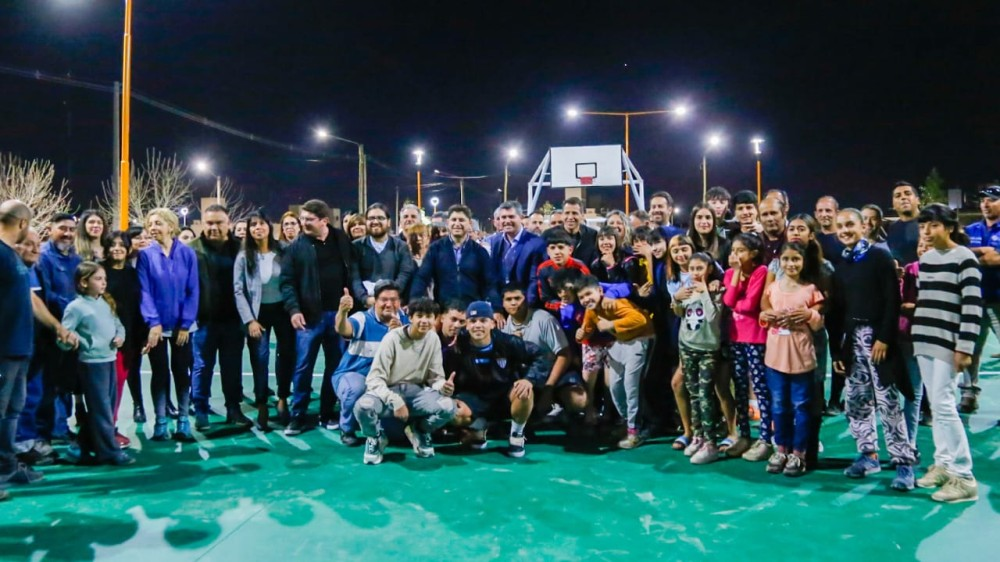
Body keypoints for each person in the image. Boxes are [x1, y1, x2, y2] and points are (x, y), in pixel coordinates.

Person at [827, 208, 918, 491]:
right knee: (856, 401)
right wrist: (838, 350)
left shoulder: (879, 255)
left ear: (863, 226)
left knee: (888, 401)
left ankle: (903, 462)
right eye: (839, 226)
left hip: (878, 339)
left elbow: (893, 299)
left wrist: (885, 338)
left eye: (850, 225)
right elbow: (838, 310)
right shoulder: (841, 264)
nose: (844, 230)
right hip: (852, 341)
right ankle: (868, 454)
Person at [911, 204, 982, 503]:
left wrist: (964, 347)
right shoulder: (926, 260)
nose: (927, 231)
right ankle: (943, 464)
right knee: (937, 402)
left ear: (949, 227)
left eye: (934, 225)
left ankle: (964, 476)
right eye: (924, 226)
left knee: (943, 404)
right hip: (925, 339)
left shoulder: (965, 259)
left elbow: (972, 307)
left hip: (948, 342)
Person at [281, 199, 354, 435]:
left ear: (324, 221)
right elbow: (287, 283)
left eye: (308, 220)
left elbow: (351, 271)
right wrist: (294, 310)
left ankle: (327, 412)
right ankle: (298, 415)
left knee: (336, 366)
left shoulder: (341, 240)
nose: (303, 224)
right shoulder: (296, 247)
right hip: (309, 318)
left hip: (338, 317)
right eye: (302, 219)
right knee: (303, 368)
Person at [354, 298, 455, 465]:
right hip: (388, 392)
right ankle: (375, 437)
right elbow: (374, 379)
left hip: (416, 393)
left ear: (435, 319)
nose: (424, 320)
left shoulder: (433, 339)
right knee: (363, 406)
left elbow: (435, 377)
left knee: (449, 407)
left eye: (429, 316)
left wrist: (443, 387)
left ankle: (420, 431)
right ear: (410, 318)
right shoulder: (392, 339)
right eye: (419, 316)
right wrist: (394, 400)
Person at [1, 201, 57, 498]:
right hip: (5, 349)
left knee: (12, 412)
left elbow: (29, 299)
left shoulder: (13, 258)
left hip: (19, 348)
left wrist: (57, 327)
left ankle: (7, 467)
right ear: (22, 223)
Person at [759, 243, 825, 477]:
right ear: (780, 262)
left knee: (801, 407)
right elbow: (763, 315)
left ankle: (799, 453)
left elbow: (818, 323)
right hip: (775, 359)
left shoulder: (810, 290)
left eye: (796, 259)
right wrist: (767, 315)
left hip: (801, 359)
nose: (791, 264)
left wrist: (809, 314)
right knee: (779, 405)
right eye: (786, 259)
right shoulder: (773, 289)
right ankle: (781, 449)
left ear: (803, 261)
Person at [59, 262, 134, 466]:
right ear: (84, 282)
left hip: (109, 360)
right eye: (98, 279)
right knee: (101, 409)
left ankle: (80, 447)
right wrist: (75, 342)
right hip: (91, 364)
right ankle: (108, 451)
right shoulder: (76, 308)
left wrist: (120, 337)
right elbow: (64, 334)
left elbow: (118, 325)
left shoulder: (104, 303)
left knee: (105, 408)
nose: (103, 283)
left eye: (104, 279)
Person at [137, 208, 199, 441]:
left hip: (183, 327)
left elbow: (193, 290)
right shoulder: (145, 255)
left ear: (171, 226)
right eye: (150, 224)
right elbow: (144, 291)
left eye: (158, 223)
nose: (153, 228)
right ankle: (160, 422)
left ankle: (183, 421)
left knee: (181, 372)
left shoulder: (187, 254)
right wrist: (153, 323)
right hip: (157, 328)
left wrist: (185, 324)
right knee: (159, 373)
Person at [447, 301, 537, 457]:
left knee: (524, 391)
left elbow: (540, 356)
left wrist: (529, 379)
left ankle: (516, 435)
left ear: (492, 324)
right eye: (473, 321)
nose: (478, 325)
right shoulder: (457, 347)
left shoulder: (508, 342)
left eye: (483, 321)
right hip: (475, 398)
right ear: (466, 325)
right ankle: (478, 428)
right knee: (450, 410)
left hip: (504, 395)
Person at [189, 204, 249, 431]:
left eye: (219, 222)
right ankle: (201, 410)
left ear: (229, 224)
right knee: (202, 367)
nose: (214, 227)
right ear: (203, 224)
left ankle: (233, 408)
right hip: (204, 321)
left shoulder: (241, 249)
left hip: (234, 320)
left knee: (232, 366)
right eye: (209, 222)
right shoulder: (191, 249)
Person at [576, 275, 653, 449]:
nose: (586, 299)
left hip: (640, 338)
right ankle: (629, 424)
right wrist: (581, 334)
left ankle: (635, 431)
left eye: (589, 294)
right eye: (581, 297)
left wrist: (612, 324)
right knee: (615, 386)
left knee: (630, 385)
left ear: (600, 291)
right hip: (621, 341)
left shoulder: (614, 303)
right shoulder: (591, 310)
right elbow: (588, 328)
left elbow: (640, 319)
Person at [234, 212, 295, 430]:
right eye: (253, 225)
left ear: (269, 226)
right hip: (257, 314)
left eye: (261, 224)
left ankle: (282, 398)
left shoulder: (283, 251)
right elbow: (238, 290)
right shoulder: (244, 256)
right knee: (259, 358)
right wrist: (249, 320)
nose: (257, 228)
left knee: (286, 354)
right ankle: (261, 404)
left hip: (282, 310)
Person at [332, 280, 407, 446]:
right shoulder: (363, 318)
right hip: (355, 374)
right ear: (375, 301)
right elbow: (343, 329)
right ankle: (347, 429)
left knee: (396, 434)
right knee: (355, 389)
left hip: (386, 381)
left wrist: (398, 337)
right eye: (384, 299)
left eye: (394, 299)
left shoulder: (405, 322)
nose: (389, 304)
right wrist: (342, 312)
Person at [500, 284, 585, 419]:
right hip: (530, 376)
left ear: (526, 300)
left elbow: (564, 354)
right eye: (508, 299)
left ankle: (562, 410)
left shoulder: (543, 319)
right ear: (503, 304)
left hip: (555, 373)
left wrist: (548, 389)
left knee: (578, 400)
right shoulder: (503, 326)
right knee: (518, 393)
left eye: (517, 298)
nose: (513, 303)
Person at [34, 213, 83, 444]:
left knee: (65, 381)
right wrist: (73, 308)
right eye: (62, 228)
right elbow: (45, 294)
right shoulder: (43, 257)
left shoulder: (75, 259)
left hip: (72, 331)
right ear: (51, 230)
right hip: (50, 331)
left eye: (72, 229)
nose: (68, 233)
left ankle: (61, 427)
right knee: (48, 383)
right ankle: (47, 431)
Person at [410, 205, 502, 324]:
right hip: (444, 311)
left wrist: (496, 308)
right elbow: (422, 277)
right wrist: (414, 302)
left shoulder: (479, 251)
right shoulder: (436, 249)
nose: (457, 223)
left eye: (461, 220)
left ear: (469, 223)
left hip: (472, 313)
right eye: (454, 220)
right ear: (448, 223)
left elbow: (490, 282)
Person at [672, 253, 724, 464]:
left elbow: (712, 318)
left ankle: (711, 443)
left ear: (709, 269)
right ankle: (698, 436)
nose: (695, 272)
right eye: (692, 268)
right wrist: (676, 298)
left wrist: (704, 293)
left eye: (700, 268)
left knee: (705, 395)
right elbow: (678, 313)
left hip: (708, 349)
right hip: (687, 346)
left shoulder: (715, 291)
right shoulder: (687, 289)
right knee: (693, 393)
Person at [721, 233, 768, 458]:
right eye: (734, 250)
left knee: (760, 387)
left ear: (754, 253)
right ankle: (744, 434)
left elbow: (750, 305)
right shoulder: (731, 273)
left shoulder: (761, 272)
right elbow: (728, 302)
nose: (736, 255)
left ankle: (766, 437)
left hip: (756, 337)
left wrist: (739, 298)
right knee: (739, 386)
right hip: (735, 337)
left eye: (741, 251)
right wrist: (737, 274)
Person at [102, 231, 145, 445]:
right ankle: (106, 430)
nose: (117, 248)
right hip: (107, 340)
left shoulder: (132, 273)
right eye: (112, 244)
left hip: (130, 339)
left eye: (122, 244)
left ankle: (110, 428)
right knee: (108, 387)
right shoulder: (100, 271)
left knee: (118, 386)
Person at [960, 185, 1000, 413]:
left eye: (992, 200)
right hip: (974, 301)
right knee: (970, 350)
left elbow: (995, 260)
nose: (986, 204)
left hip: (998, 300)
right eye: (983, 200)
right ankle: (969, 394)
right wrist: (984, 251)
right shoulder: (971, 229)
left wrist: (974, 254)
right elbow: (959, 254)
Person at [350, 203, 416, 307]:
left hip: (393, 306)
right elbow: (354, 277)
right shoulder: (356, 246)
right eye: (371, 218)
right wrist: (365, 299)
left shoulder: (401, 247)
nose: (375, 222)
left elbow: (404, 274)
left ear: (389, 222)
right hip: (364, 308)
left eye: (380, 218)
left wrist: (388, 298)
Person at [488, 201, 546, 297]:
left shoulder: (536, 243)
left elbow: (535, 279)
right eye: (503, 217)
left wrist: (525, 305)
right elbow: (493, 275)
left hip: (525, 302)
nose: (507, 221)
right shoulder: (495, 241)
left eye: (511, 217)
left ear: (521, 218)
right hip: (502, 300)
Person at [532, 228, 591, 311]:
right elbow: (545, 297)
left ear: (570, 250)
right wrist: (558, 305)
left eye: (561, 247)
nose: (557, 252)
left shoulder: (580, 267)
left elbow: (589, 292)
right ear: (548, 252)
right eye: (552, 248)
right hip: (555, 311)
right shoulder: (543, 269)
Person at [886, 181, 921, 265]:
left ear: (918, 200)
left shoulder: (931, 223)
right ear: (893, 205)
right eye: (898, 196)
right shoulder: (891, 228)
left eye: (908, 193)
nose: (903, 197)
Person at [561, 197, 599, 267]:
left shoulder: (593, 235)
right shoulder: (550, 235)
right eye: (567, 213)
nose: (570, 217)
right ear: (562, 215)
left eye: (574, 213)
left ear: (582, 215)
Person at [814, 196, 845, 265]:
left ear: (837, 213)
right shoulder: (812, 239)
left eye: (828, 210)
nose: (824, 214)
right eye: (820, 211)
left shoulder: (845, 238)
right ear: (815, 214)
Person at [758, 197, 787, 265]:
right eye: (765, 214)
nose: (770, 219)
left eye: (773, 213)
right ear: (759, 219)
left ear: (784, 214)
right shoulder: (755, 242)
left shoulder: (793, 239)